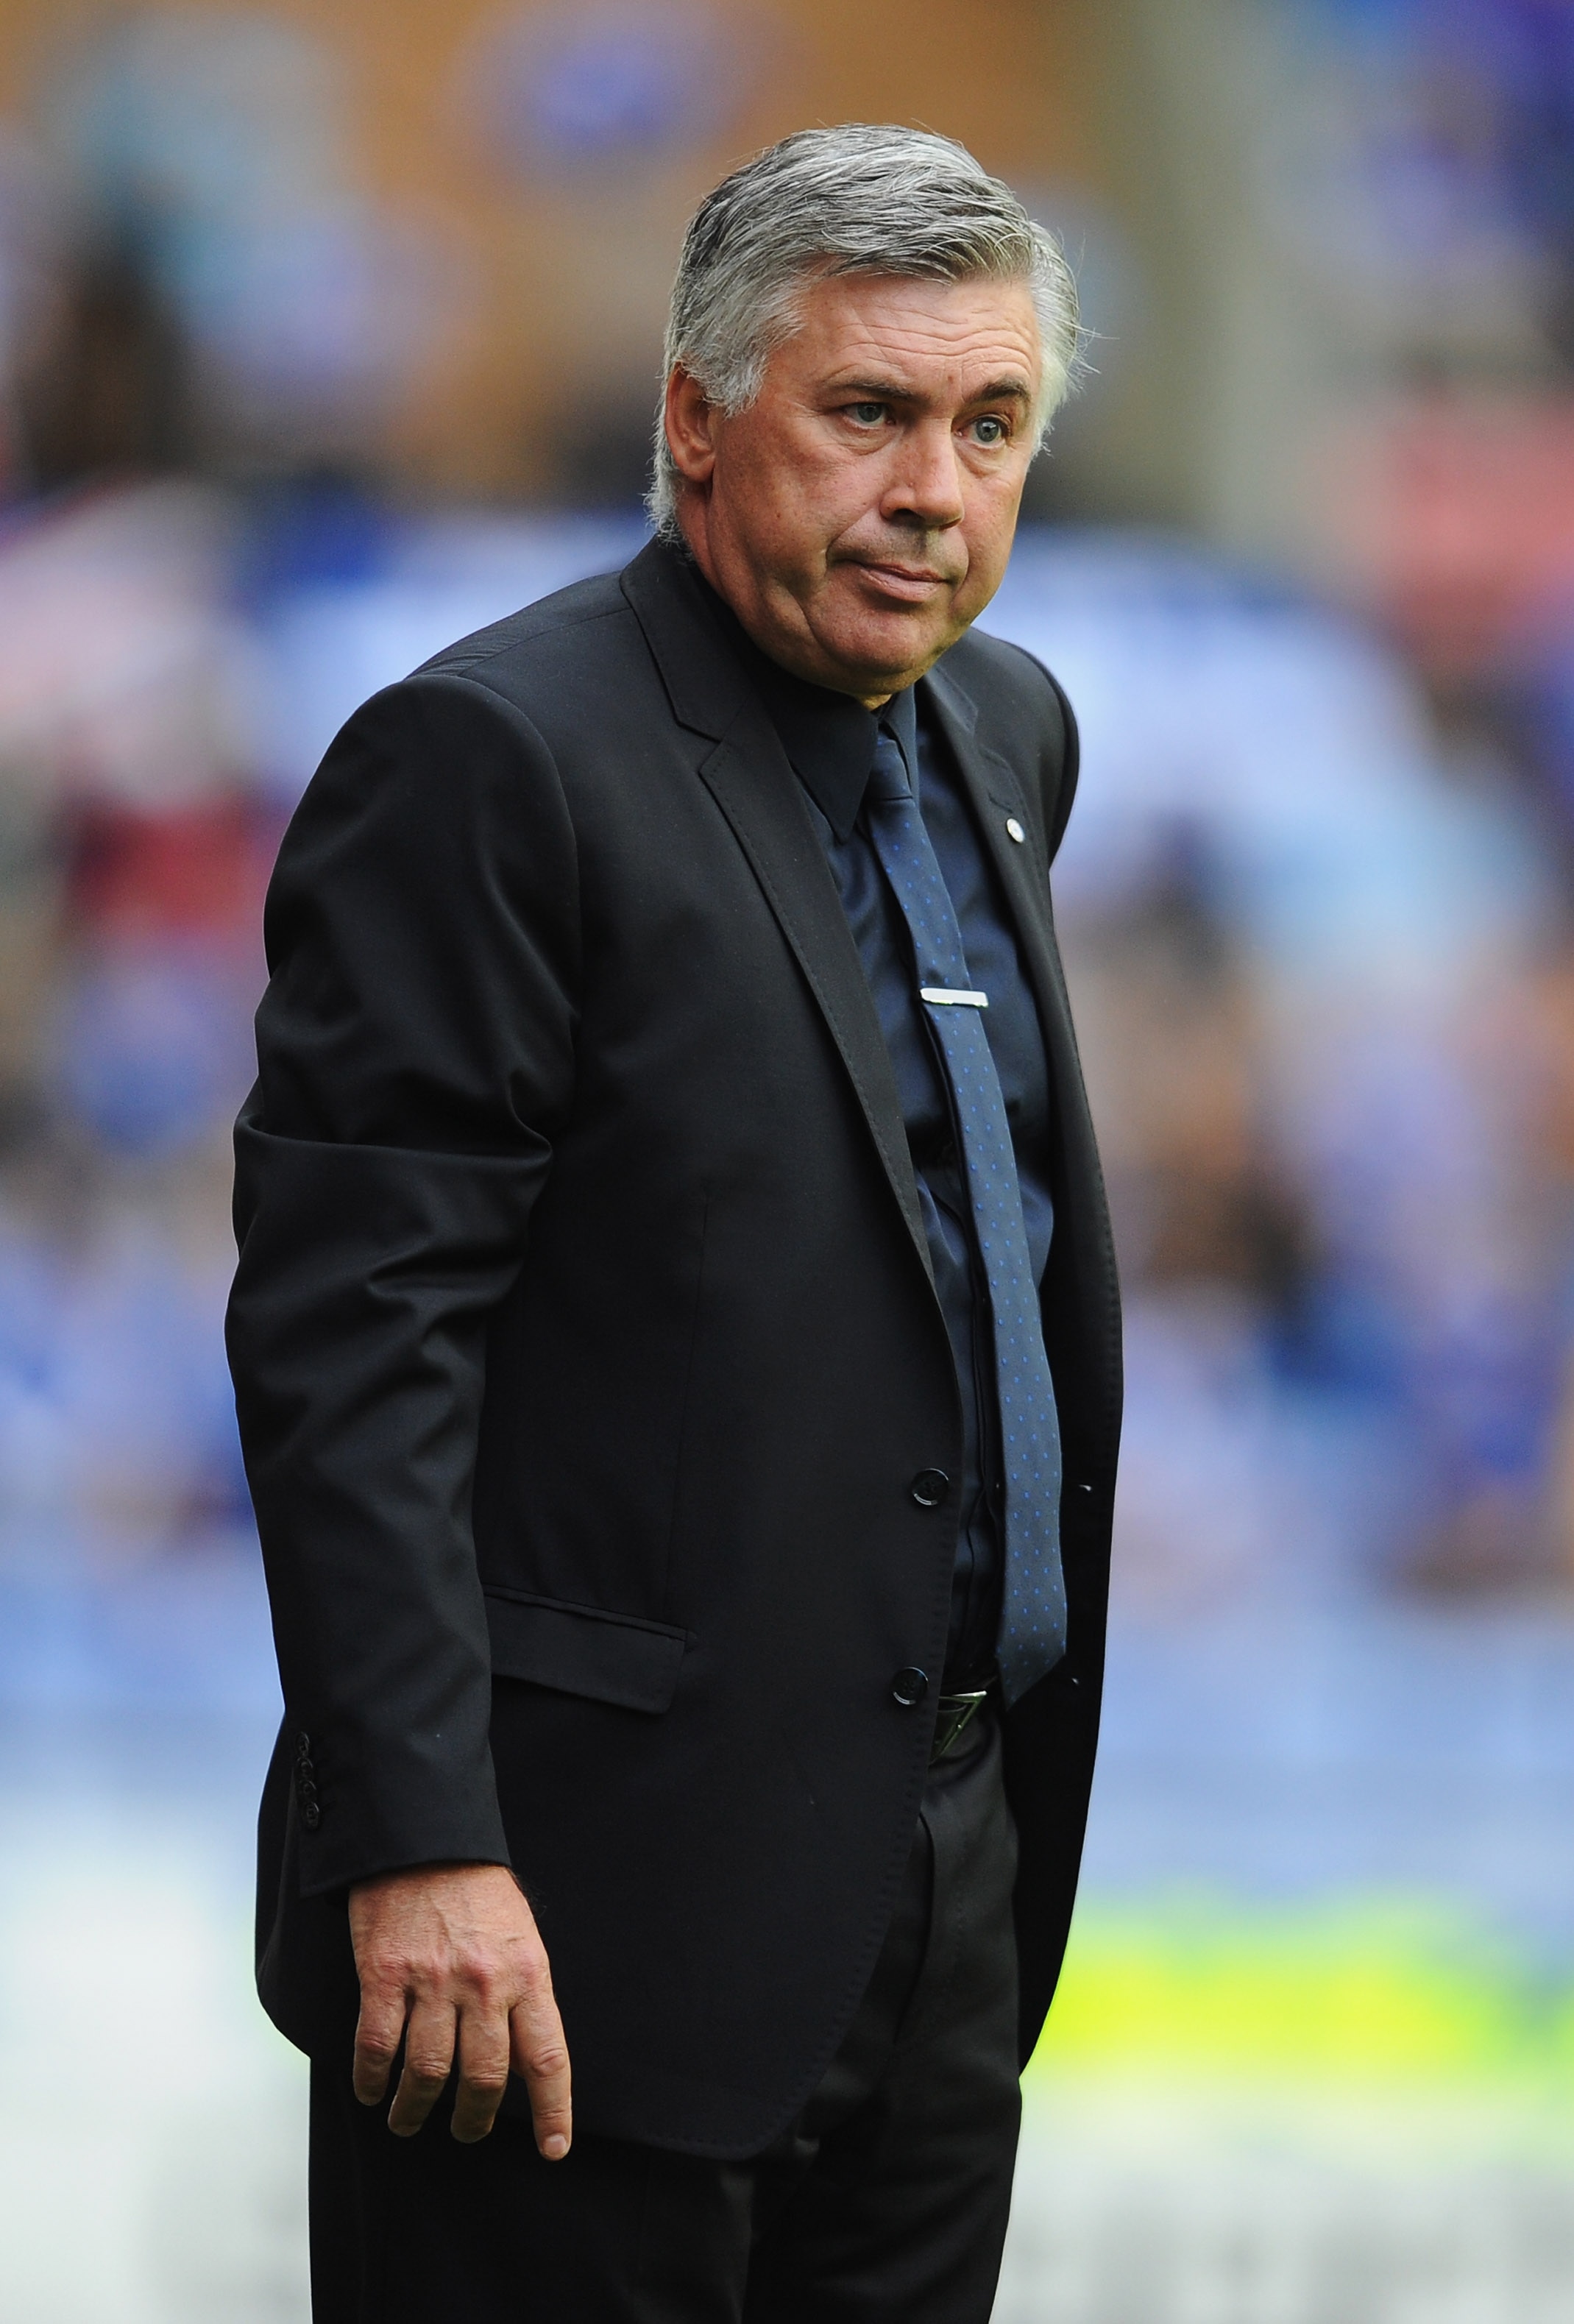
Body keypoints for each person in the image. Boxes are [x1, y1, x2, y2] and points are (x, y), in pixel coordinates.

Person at [227, 122, 1122, 2323]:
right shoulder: (486, 759)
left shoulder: (1008, 730)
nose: (933, 490)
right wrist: (420, 1840)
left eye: (989, 424)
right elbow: (357, 1348)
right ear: (696, 419)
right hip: (558, 1924)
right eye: (869, 413)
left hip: (944, 1890)